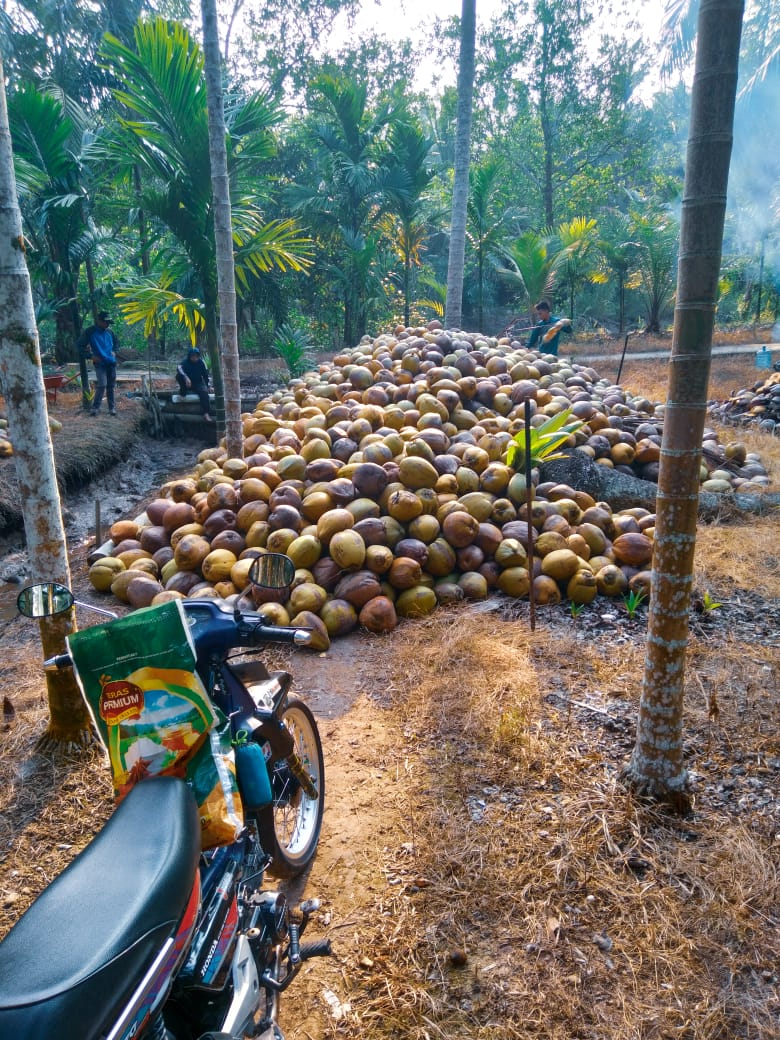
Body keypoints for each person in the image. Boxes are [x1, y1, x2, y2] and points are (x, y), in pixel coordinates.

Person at [77, 311, 118, 416]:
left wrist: (114, 351)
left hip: (111, 362)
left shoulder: (110, 332)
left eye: (109, 322)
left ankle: (112, 408)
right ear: (99, 321)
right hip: (100, 363)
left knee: (111, 386)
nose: (107, 324)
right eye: (105, 322)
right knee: (102, 384)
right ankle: (95, 408)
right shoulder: (90, 332)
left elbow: (117, 344)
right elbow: (80, 346)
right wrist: (91, 356)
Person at [176, 347, 214, 422]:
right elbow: (179, 368)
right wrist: (186, 378)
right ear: (189, 356)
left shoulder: (201, 363)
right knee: (179, 376)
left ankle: (206, 413)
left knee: (204, 392)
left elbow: (206, 375)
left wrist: (208, 386)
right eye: (193, 356)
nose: (194, 358)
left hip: (197, 383)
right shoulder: (185, 362)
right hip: (186, 383)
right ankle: (183, 393)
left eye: (196, 356)